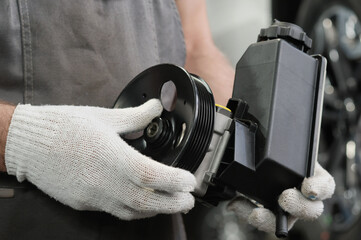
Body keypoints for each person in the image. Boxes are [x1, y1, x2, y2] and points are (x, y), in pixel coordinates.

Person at [0, 0, 335, 239]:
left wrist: (270, 139)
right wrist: (25, 142)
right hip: (27, 216)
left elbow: (196, 45)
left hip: (158, 213)